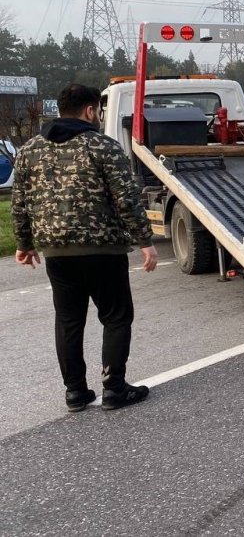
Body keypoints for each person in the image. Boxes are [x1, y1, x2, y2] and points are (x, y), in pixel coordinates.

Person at [11, 83, 158, 412]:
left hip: (57, 253)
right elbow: (126, 197)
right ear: (90, 110)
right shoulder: (102, 146)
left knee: (68, 320)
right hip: (103, 249)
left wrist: (24, 243)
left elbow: (19, 204)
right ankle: (114, 388)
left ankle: (75, 391)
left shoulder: (29, 150)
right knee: (116, 316)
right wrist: (145, 241)